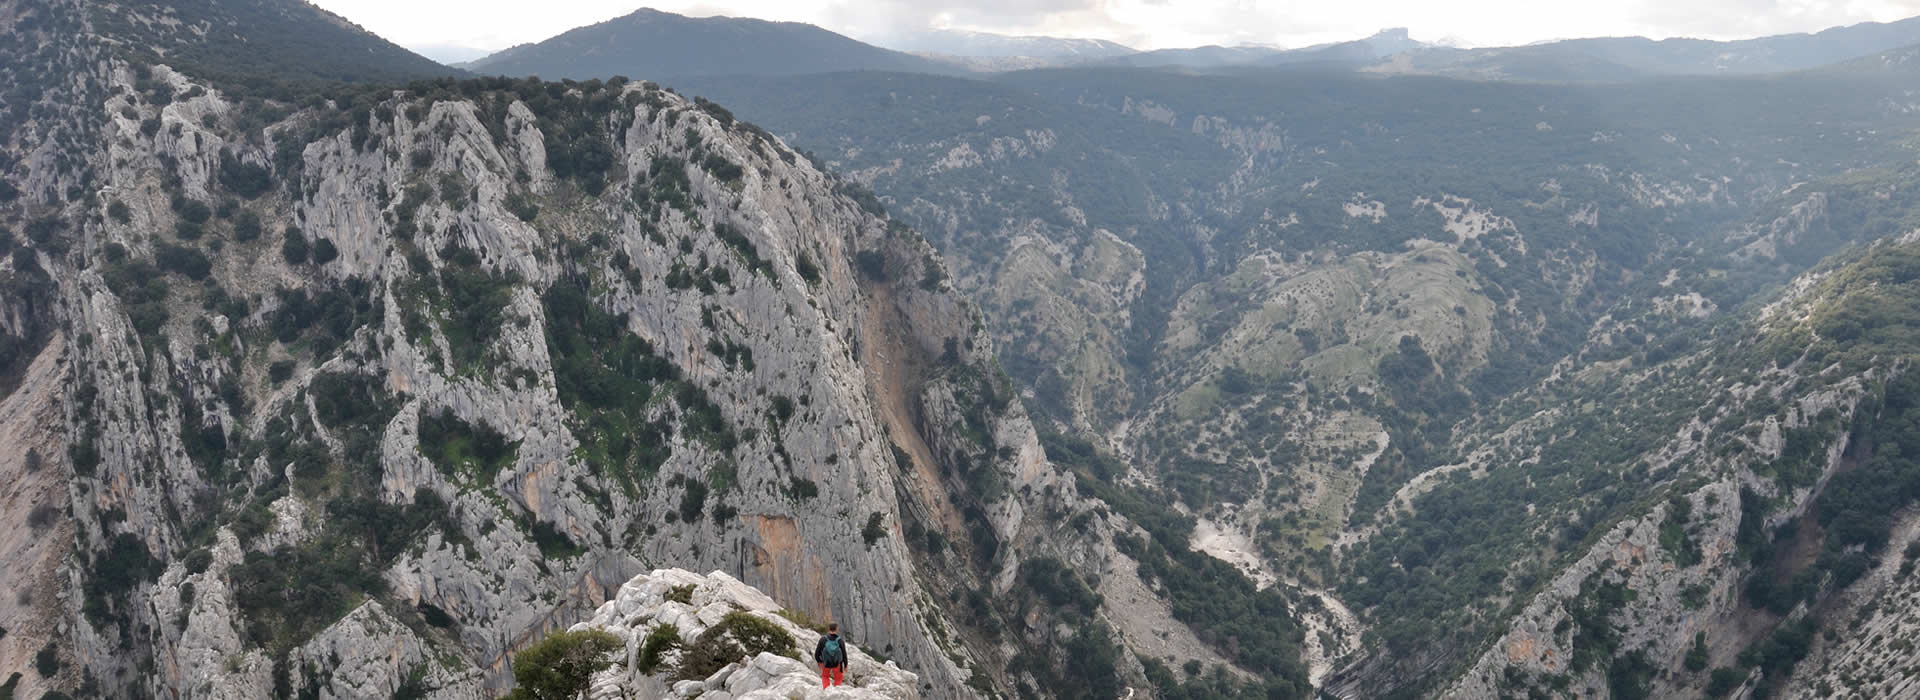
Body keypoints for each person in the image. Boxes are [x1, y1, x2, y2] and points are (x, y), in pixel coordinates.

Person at [814, 622, 848, 688]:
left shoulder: (823, 639)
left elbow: (817, 653)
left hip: (826, 663)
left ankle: (826, 690)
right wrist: (845, 665)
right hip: (837, 663)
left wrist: (819, 661)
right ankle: (837, 691)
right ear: (837, 629)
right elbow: (844, 654)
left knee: (825, 676)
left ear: (829, 629)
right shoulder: (840, 641)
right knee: (838, 678)